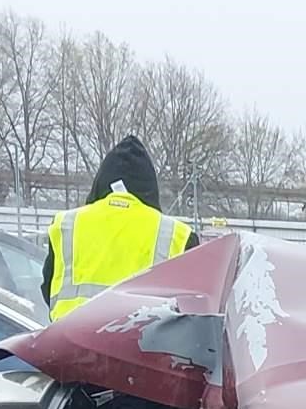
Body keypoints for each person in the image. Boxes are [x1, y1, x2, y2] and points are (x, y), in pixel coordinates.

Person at [42, 136, 196, 320]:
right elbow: (195, 310)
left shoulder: (66, 225)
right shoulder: (178, 236)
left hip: (66, 345)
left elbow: (48, 290)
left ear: (100, 183)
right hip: (143, 347)